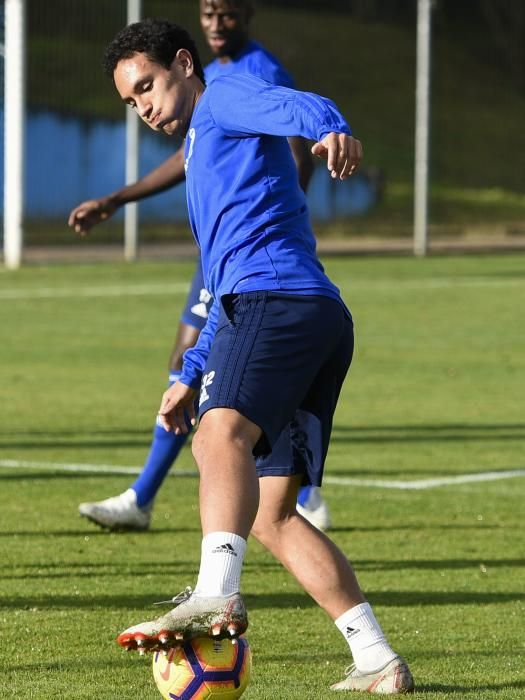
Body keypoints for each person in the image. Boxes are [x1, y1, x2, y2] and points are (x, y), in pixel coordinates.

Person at [103, 18, 414, 694]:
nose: (144, 108)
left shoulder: (223, 97)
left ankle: (216, 593)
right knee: (272, 514)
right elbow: (221, 276)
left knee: (218, 438)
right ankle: (375, 659)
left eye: (148, 87)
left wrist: (329, 125)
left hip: (275, 304)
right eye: (131, 102)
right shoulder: (206, 147)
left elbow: (293, 104)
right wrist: (190, 372)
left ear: (184, 63)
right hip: (312, 316)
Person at [69, 0, 331, 533]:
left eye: (225, 14)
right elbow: (187, 156)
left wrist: (281, 217)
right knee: (193, 360)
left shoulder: (246, 78)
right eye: (207, 14)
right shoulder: (199, 107)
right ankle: (272, 485)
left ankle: (285, 491)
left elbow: (297, 128)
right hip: (225, 253)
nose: (216, 24)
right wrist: (118, 199)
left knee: (219, 419)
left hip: (257, 254)